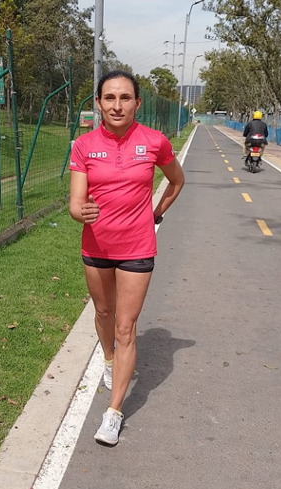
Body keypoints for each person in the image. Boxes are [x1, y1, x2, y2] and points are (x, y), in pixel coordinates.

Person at [69, 70, 185, 445]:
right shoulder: (83, 146)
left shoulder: (155, 142)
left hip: (137, 248)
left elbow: (176, 180)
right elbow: (75, 202)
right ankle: (107, 359)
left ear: (137, 102)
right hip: (97, 248)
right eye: (109, 98)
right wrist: (80, 212)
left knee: (125, 327)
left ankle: (113, 412)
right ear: (99, 104)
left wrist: (155, 215)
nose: (117, 105)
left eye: (124, 98)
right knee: (103, 314)